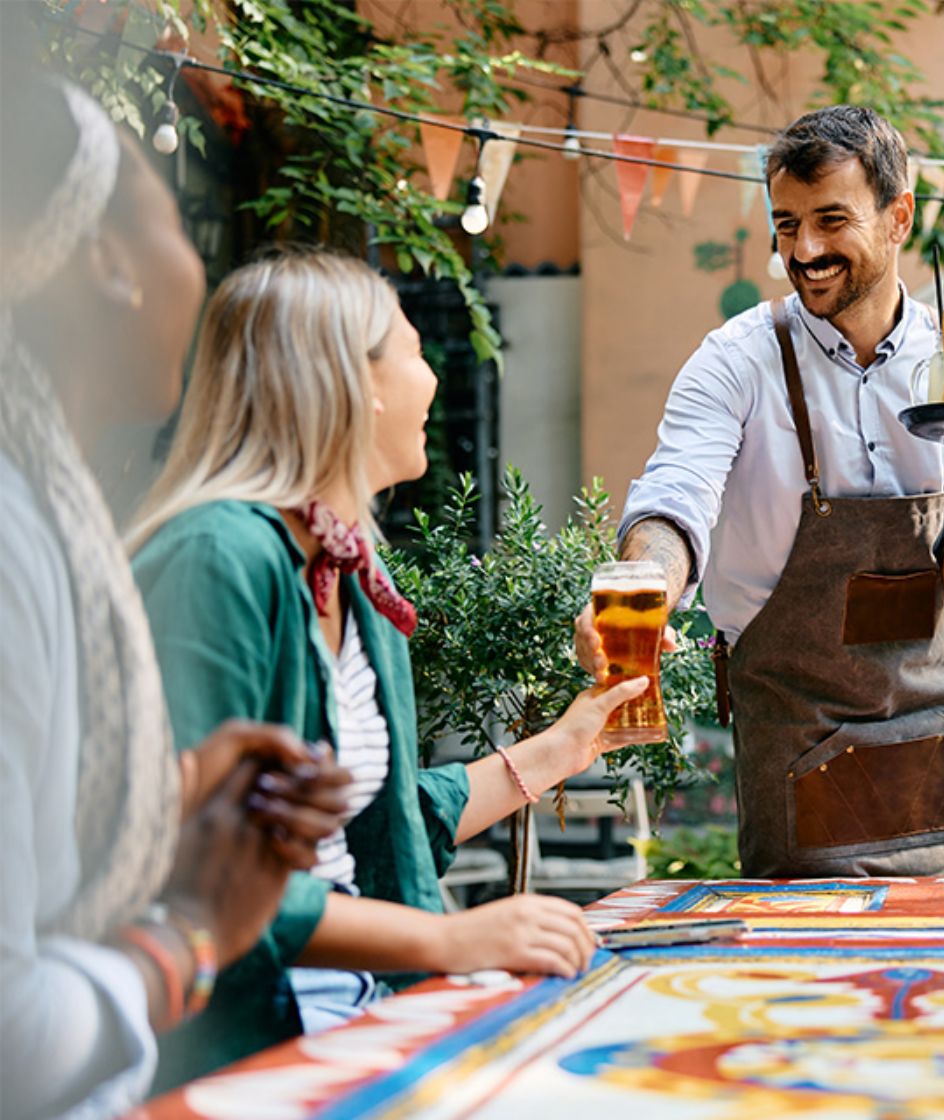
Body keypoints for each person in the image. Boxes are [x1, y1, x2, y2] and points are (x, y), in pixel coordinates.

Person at [124, 249, 653, 1086]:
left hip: (353, 1018)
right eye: (414, 349)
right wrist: (448, 938)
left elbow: (388, 825)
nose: (435, 377)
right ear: (355, 381)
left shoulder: (350, 572)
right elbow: (199, 866)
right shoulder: (217, 557)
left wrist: (570, 742)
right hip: (246, 1046)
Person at [575, 105, 944, 879]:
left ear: (898, 217)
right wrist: (644, 585)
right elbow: (675, 499)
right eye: (787, 225)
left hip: (935, 771)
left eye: (830, 221)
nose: (804, 250)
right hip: (796, 770)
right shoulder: (736, 362)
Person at [0, 70, 349, 1119]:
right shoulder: (36, 541)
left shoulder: (48, 516)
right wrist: (191, 932)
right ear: (107, 262)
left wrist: (177, 790)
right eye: (173, 218)